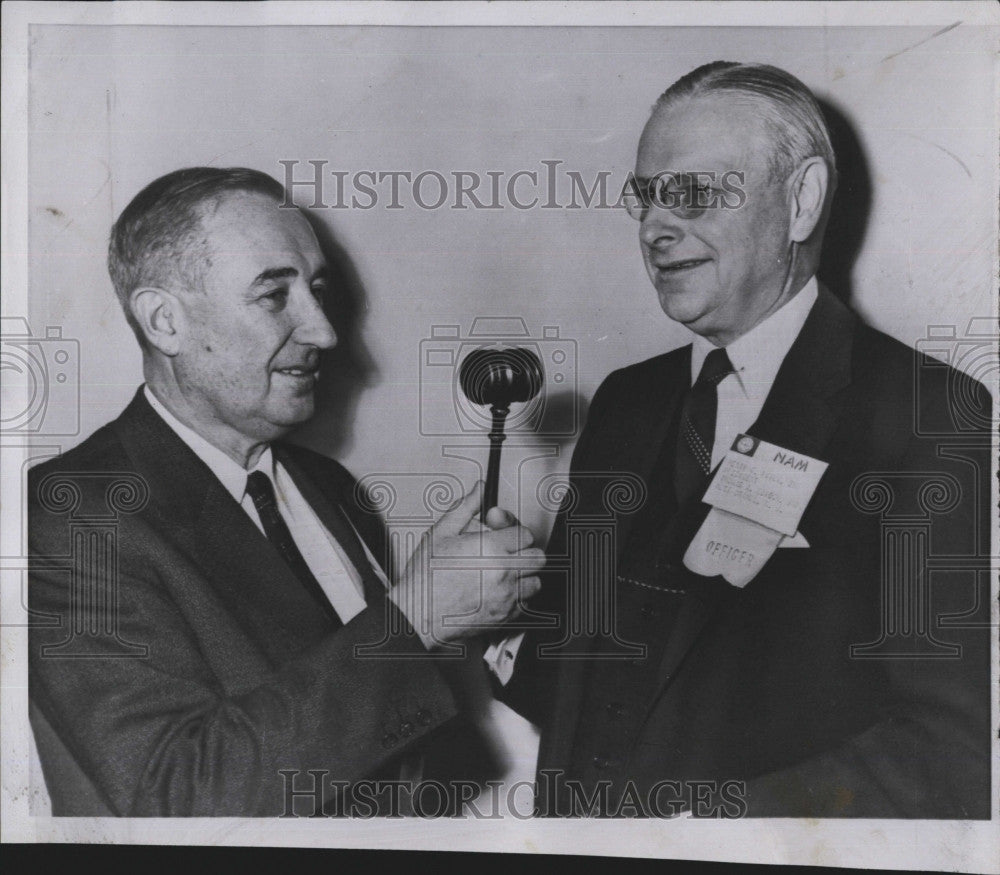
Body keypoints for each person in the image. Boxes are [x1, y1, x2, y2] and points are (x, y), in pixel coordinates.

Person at [491, 62, 992, 818]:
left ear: (801, 202)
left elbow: (945, 747)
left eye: (691, 194)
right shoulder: (628, 402)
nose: (656, 229)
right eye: (647, 199)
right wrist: (491, 613)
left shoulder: (927, 413)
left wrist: (712, 828)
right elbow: (567, 670)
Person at [27, 167, 544, 816]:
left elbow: (367, 720)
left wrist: (444, 624)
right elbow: (175, 795)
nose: (324, 330)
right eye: (275, 296)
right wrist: (416, 615)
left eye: (318, 290)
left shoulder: (326, 486)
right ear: (164, 321)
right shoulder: (69, 518)